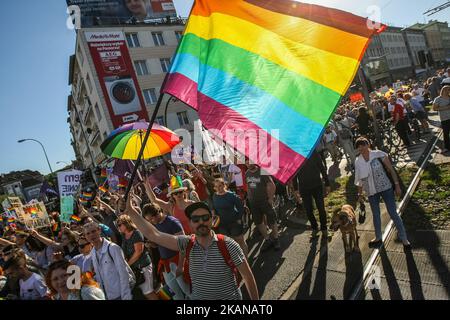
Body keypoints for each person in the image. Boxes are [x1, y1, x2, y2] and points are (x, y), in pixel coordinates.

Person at [125, 198, 259, 300]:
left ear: (212, 220)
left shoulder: (228, 244)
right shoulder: (186, 243)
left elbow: (248, 277)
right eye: (195, 219)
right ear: (190, 223)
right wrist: (130, 211)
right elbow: (154, 234)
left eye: (205, 218)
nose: (201, 222)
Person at [354, 137, 411, 249]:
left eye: (362, 145)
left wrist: (397, 185)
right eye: (358, 147)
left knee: (393, 213)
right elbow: (359, 179)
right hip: (371, 192)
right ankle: (378, 237)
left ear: (368, 144)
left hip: (386, 188)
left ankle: (404, 239)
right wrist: (359, 195)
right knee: (375, 215)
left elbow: (391, 170)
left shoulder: (379, 154)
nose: (361, 148)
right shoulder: (358, 161)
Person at [141, 203, 186, 299]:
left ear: (158, 213)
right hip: (166, 264)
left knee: (188, 291)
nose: (151, 222)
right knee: (174, 294)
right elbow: (162, 243)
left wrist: (181, 265)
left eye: (151, 219)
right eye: (148, 220)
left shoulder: (173, 222)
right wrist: (153, 244)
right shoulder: (155, 225)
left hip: (178, 262)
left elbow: (183, 244)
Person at [83, 221, 135, 300]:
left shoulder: (113, 248)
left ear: (99, 230)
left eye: (93, 231)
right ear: (85, 237)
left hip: (121, 294)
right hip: (107, 296)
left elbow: (124, 274)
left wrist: (126, 296)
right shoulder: (92, 253)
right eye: (88, 233)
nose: (91, 235)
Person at [116, 215, 157, 300]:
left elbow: (138, 252)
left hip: (143, 266)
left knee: (148, 292)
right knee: (142, 292)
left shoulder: (136, 233)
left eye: (119, 225)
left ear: (126, 223)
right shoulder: (124, 235)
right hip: (135, 268)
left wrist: (127, 264)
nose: (118, 227)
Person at [292, 150, 330, 236]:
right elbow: (294, 173)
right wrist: (295, 189)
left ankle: (324, 228)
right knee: (308, 210)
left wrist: (327, 183)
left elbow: (322, 168)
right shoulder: (296, 156)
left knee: (321, 208)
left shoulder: (314, 153)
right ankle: (314, 227)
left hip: (317, 185)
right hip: (304, 188)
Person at [245, 164, 280, 251]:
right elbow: (249, 187)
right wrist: (248, 199)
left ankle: (276, 239)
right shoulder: (247, 173)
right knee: (258, 222)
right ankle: (267, 239)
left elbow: (272, 185)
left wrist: (271, 198)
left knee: (272, 220)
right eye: (246, 162)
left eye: (249, 162)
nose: (248, 164)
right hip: (253, 203)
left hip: (265, 201)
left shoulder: (262, 171)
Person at [212, 178, 248, 257]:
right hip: (222, 225)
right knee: (229, 245)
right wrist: (213, 215)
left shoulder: (231, 195)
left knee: (240, 242)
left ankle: (246, 261)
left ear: (224, 185)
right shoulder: (214, 196)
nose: (218, 188)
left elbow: (241, 207)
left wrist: (238, 218)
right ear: (214, 187)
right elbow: (214, 208)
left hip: (234, 222)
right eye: (216, 186)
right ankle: (237, 262)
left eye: (220, 186)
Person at [432, 85, 450, 154]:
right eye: (448, 90)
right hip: (444, 118)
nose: (449, 91)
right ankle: (447, 147)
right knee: (446, 134)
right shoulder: (438, 99)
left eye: (449, 90)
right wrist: (446, 107)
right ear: (444, 90)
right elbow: (434, 108)